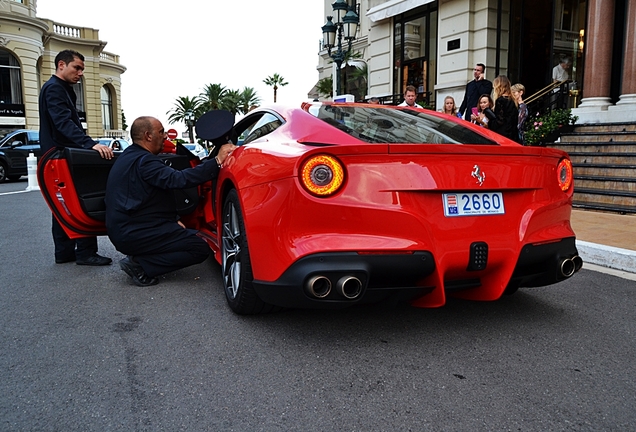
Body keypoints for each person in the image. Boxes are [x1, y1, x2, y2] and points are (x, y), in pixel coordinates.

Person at [104, 116, 236, 287]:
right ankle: (140, 265)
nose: (165, 136)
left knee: (183, 236)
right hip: (134, 232)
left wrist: (173, 219)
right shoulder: (146, 162)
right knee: (199, 249)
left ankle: (140, 257)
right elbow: (178, 179)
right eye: (161, 132)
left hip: (127, 229)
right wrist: (217, 161)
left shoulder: (129, 156)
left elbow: (152, 195)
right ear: (148, 136)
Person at [39, 49, 114, 266]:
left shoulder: (62, 89)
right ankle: (85, 252)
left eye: (82, 69)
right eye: (77, 67)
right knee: (78, 199)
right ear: (61, 65)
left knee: (62, 204)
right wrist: (90, 144)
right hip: (61, 155)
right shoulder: (55, 89)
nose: (80, 73)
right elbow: (63, 124)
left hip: (56, 155)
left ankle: (63, 253)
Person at [484, 75, 520, 143]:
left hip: (503, 137)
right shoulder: (513, 101)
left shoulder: (500, 101)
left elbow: (499, 122)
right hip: (513, 136)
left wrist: (490, 120)